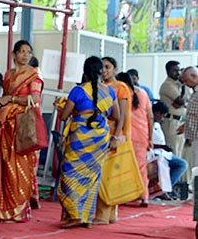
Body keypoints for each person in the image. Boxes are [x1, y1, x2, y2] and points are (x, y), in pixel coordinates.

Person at [56, 56, 119, 228]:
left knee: (69, 174)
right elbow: (116, 116)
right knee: (92, 177)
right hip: (100, 139)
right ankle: (86, 217)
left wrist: (63, 107)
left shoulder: (78, 91)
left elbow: (63, 116)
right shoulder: (109, 91)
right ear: (100, 72)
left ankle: (75, 214)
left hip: (80, 138)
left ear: (84, 71)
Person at [0, 40, 44, 222]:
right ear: (14, 54)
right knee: (5, 165)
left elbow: (35, 98)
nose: (25, 55)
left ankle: (18, 209)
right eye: (22, 51)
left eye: (28, 52)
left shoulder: (33, 74)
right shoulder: (8, 74)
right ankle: (2, 208)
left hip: (21, 126)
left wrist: (11, 99)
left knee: (20, 165)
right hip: (7, 125)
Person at [93, 56, 132, 225]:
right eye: (102, 67)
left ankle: (103, 215)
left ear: (115, 69)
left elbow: (121, 115)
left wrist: (116, 136)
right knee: (107, 174)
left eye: (108, 67)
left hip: (115, 135)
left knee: (107, 176)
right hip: (103, 134)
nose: (104, 70)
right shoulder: (101, 87)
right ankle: (110, 215)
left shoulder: (120, 87)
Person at [117, 71, 152, 206]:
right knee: (141, 166)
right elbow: (150, 117)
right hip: (142, 135)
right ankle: (144, 196)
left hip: (125, 135)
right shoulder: (143, 93)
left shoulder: (121, 93)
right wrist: (150, 138)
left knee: (124, 166)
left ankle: (126, 195)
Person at [150, 101, 188, 197]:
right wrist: (162, 147)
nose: (162, 119)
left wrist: (165, 148)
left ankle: (165, 189)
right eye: (162, 116)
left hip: (163, 153)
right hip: (152, 153)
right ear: (157, 113)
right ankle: (160, 190)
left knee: (182, 164)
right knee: (162, 163)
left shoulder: (157, 125)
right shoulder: (147, 124)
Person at [158, 60, 187, 159]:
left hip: (180, 121)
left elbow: (184, 102)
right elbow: (181, 101)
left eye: (179, 70)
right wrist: (183, 87)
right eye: (175, 70)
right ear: (168, 71)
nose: (178, 73)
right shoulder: (167, 85)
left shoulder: (177, 85)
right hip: (171, 122)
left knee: (179, 152)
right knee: (173, 152)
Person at [179, 66, 198, 171]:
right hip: (194, 138)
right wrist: (186, 126)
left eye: (186, 80)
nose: (185, 84)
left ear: (194, 76)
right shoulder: (195, 91)